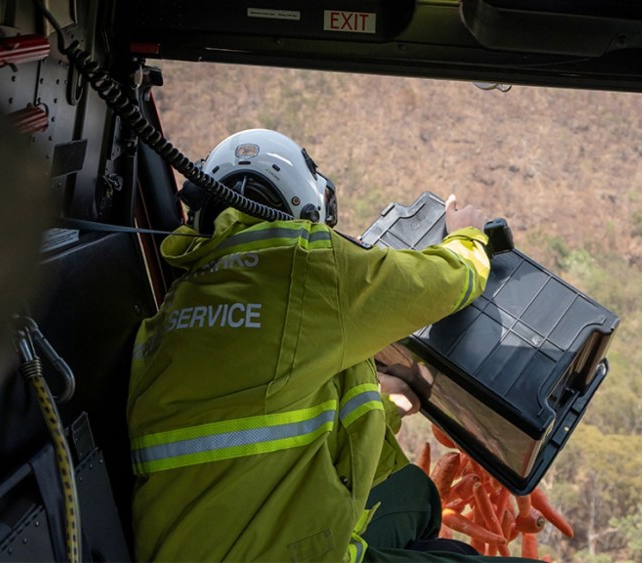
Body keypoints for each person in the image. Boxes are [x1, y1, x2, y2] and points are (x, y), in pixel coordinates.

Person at [127, 129, 538, 561]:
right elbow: (447, 281)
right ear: (305, 204)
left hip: (187, 544)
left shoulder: (174, 309)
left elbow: (264, 414)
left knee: (414, 493)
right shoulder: (301, 267)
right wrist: (469, 238)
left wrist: (383, 407)